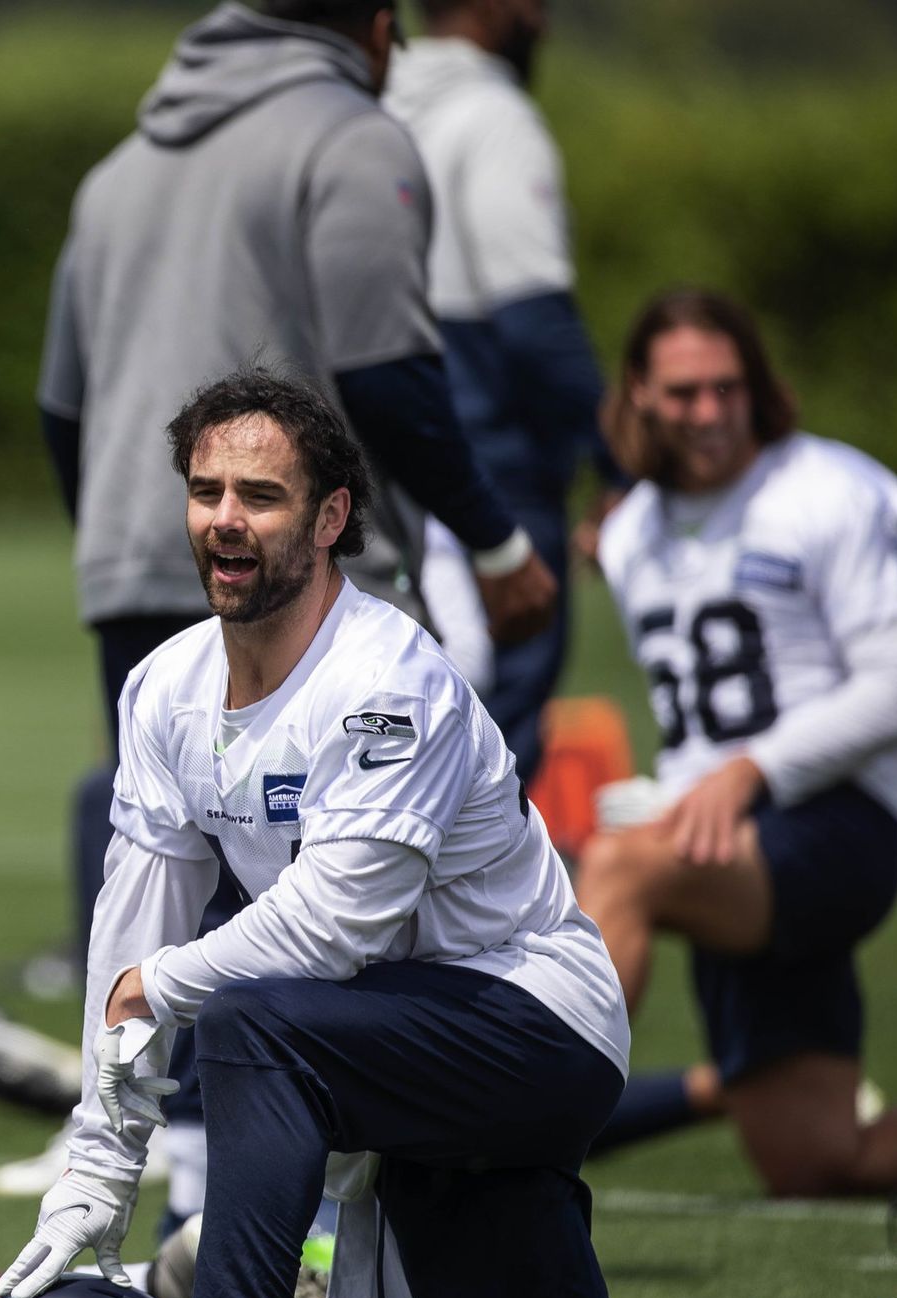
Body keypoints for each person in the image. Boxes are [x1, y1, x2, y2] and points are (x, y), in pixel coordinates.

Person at [0, 366, 884, 1298]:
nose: (226, 520)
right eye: (207, 493)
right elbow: (136, 915)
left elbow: (335, 925)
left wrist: (160, 985)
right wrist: (96, 1166)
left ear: (331, 515)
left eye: (261, 495)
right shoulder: (165, 686)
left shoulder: (387, 679)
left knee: (253, 1023)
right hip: (399, 1041)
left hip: (532, 1021)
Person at [40, 0, 556, 1174]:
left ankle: (163, 1166)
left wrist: (130, 537)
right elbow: (387, 371)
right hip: (315, 576)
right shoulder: (353, 136)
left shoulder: (115, 172)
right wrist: (493, 539)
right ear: (375, 26)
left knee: (178, 869)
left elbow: (59, 407)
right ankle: (310, 1230)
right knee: (343, 911)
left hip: (140, 555)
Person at [575, 289, 897, 1196]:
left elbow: (894, 680)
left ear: (757, 383)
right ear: (639, 392)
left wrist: (746, 773)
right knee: (821, 1162)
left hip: (837, 823)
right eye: (684, 393)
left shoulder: (832, 490)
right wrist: (690, 787)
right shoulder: (636, 526)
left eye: (728, 387)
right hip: (726, 841)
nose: (710, 413)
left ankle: (518, 1128)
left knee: (620, 869)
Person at [383, 0, 627, 781]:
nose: (545, 22)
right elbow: (533, 321)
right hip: (492, 474)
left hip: (383, 464)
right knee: (494, 756)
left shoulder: (371, 108)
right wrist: (621, 459)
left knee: (390, 742)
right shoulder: (493, 116)